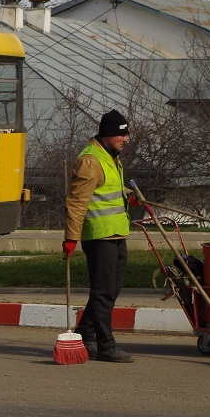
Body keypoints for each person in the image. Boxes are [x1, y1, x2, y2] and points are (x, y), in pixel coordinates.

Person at [64, 109, 134, 363]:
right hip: (98, 236)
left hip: (116, 232)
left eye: (126, 134)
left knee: (111, 289)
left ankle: (85, 333)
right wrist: (71, 238)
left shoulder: (110, 156)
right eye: (121, 135)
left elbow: (107, 187)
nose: (125, 139)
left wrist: (129, 194)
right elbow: (77, 203)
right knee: (103, 291)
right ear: (107, 134)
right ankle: (106, 345)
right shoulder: (89, 160)